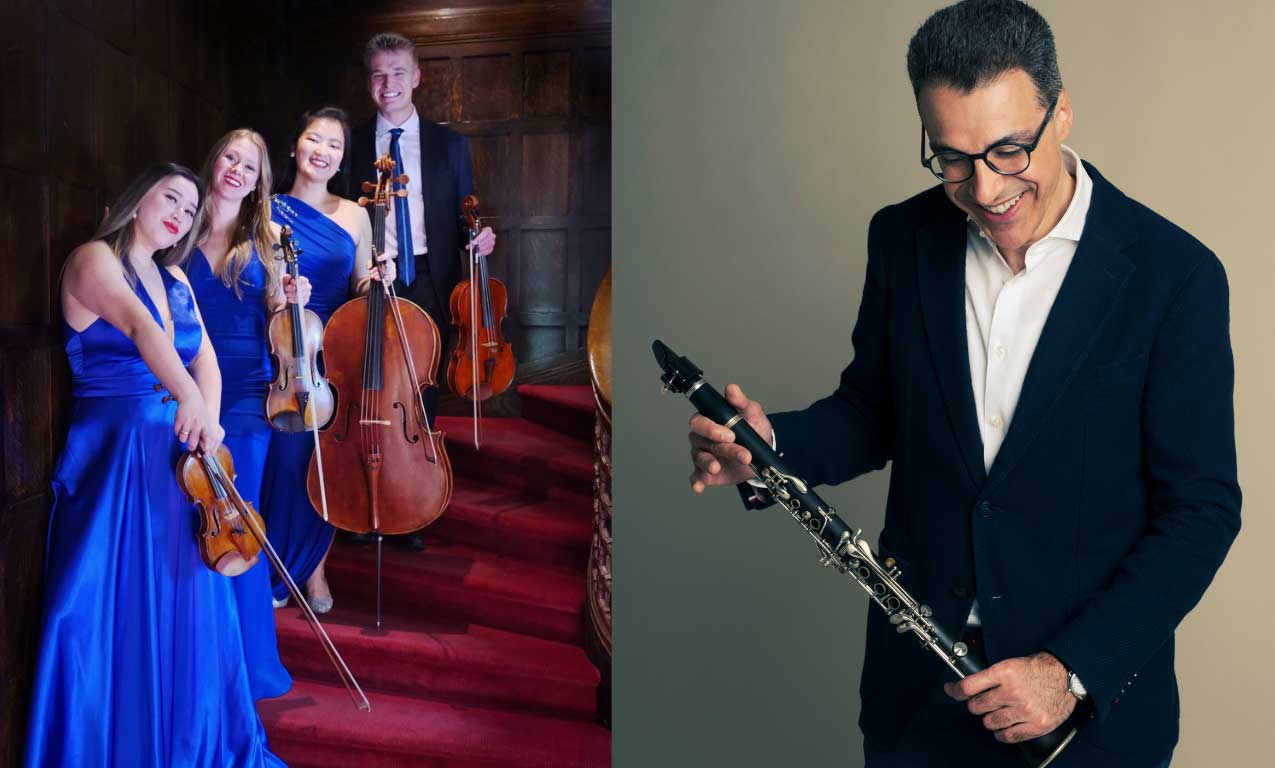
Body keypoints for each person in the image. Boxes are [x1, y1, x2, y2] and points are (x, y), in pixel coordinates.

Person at [686, 2, 1240, 766]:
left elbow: (1201, 511)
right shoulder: (903, 238)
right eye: (950, 157)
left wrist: (1068, 671)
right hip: (918, 700)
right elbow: (874, 412)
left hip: (1085, 718)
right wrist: (771, 445)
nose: (983, 190)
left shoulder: (1174, 275)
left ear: (1063, 112)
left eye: (1009, 150)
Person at [25, 163, 284, 766]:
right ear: (135, 199)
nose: (180, 214)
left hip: (180, 467)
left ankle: (187, 744)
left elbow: (208, 364)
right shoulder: (93, 259)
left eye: (191, 209)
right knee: (103, 614)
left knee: (185, 607)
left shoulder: (176, 279)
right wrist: (187, 399)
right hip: (116, 464)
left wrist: (208, 421)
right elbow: (141, 329)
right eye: (170, 197)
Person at [345, 31, 497, 551]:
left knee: (420, 391)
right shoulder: (351, 144)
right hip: (370, 276)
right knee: (369, 388)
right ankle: (365, 500)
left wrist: (478, 236)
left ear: (417, 77)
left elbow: (461, 215)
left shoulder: (449, 145)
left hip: (431, 278)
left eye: (398, 73)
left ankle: (413, 502)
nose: (388, 84)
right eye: (378, 75)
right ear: (370, 82)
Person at [187, 127, 310, 699]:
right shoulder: (178, 228)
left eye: (250, 165)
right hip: (181, 389)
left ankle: (251, 668)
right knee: (191, 526)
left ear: (261, 180)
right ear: (214, 161)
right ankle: (199, 663)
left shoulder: (268, 235)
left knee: (241, 525)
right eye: (229, 157)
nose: (237, 169)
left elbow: (280, 317)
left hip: (248, 397)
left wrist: (294, 296)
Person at [259, 107, 392, 613]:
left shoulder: (356, 214)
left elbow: (359, 281)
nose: (323, 151)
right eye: (314, 139)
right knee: (284, 460)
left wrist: (375, 279)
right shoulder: (265, 209)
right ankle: (281, 570)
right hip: (279, 348)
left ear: (340, 158)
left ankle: (314, 570)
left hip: (330, 354)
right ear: (295, 147)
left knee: (321, 462)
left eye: (334, 145)